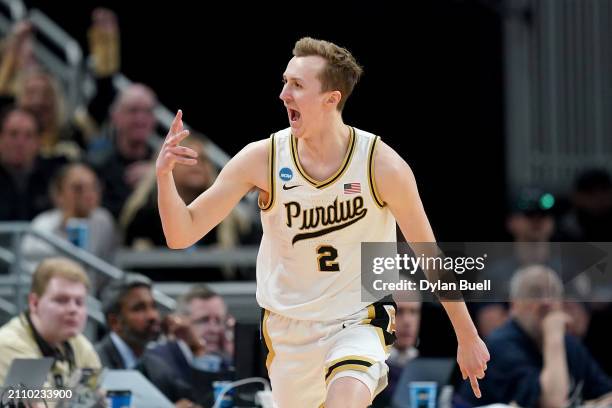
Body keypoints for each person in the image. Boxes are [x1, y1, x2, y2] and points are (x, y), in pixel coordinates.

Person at [156, 37, 489, 407]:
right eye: (285, 82)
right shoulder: (261, 158)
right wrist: (164, 177)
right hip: (288, 328)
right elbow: (181, 234)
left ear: (331, 99)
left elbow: (428, 253)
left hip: (357, 318)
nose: (284, 94)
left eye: (297, 85)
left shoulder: (381, 165)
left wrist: (467, 334)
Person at [458, 265, 612, 407]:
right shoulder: (501, 345)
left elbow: (606, 393)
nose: (546, 302)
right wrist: (553, 337)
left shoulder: (568, 343)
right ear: (514, 304)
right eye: (535, 293)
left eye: (553, 293)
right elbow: (552, 402)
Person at [96, 276, 202, 407]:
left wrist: (197, 350)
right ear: (114, 322)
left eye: (153, 306)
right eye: (139, 308)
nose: (153, 316)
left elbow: (201, 400)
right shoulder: (94, 363)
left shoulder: (157, 366)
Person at [0, 257, 101, 387]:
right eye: (61, 300)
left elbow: (99, 395)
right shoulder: (9, 344)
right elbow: (39, 404)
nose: (73, 309)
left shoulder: (77, 343)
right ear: (34, 303)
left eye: (79, 302)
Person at [21, 162, 119, 264]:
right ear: (58, 194)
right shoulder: (42, 226)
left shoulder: (104, 221)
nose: (88, 194)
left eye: (94, 187)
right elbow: (34, 272)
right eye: (78, 188)